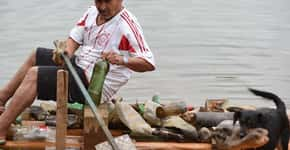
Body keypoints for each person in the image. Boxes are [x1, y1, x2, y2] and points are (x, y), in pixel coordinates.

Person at [0, 0, 155, 143]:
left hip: (95, 85)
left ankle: (1, 127)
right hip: (81, 65)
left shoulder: (127, 25)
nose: (102, 7)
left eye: (107, 1)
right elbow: (74, 39)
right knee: (37, 55)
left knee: (35, 75)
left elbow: (148, 62)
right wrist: (65, 52)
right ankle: (1, 99)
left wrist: (122, 60)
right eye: (98, 0)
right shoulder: (92, 12)